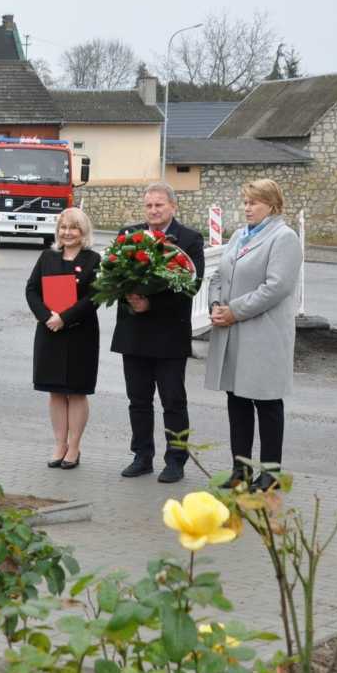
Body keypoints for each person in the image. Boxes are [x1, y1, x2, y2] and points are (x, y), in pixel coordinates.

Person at [205, 179, 302, 492]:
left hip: (263, 335)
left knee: (267, 403)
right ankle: (241, 469)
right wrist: (217, 305)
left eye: (254, 202)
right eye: (245, 201)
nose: (247, 207)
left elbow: (276, 287)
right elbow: (219, 274)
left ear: (272, 205)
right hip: (233, 331)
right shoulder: (239, 236)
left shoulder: (284, 238)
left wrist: (234, 310)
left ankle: (271, 474)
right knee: (238, 401)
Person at [111, 182, 206, 484]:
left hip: (169, 334)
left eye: (159, 205)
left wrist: (150, 302)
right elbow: (113, 275)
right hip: (134, 332)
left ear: (173, 207)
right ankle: (142, 456)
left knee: (173, 401)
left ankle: (175, 460)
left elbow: (191, 284)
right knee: (138, 400)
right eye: (149, 205)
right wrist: (130, 298)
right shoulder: (129, 235)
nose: (153, 210)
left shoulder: (189, 239)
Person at [25, 207, 101, 470]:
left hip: (80, 334)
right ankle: (59, 444)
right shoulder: (47, 256)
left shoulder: (93, 259)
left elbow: (93, 297)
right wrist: (47, 316)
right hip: (49, 332)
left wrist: (64, 318)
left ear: (83, 232)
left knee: (76, 392)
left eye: (73, 228)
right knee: (55, 391)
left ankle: (75, 447)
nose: (67, 233)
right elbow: (32, 289)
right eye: (63, 227)